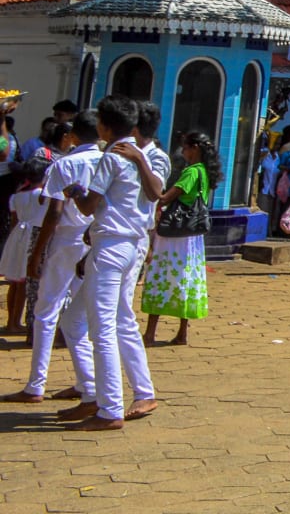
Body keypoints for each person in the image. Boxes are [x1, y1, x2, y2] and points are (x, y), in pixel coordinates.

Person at [70, 95, 164, 429]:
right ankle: (92, 395)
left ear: (104, 127)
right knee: (77, 319)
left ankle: (108, 408)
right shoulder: (139, 155)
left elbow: (87, 205)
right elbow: (153, 195)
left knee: (102, 327)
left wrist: (75, 193)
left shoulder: (113, 157)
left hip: (112, 245)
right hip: (124, 245)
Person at [6, 114, 99, 405]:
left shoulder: (66, 164)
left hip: (67, 238)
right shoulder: (109, 163)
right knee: (76, 317)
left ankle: (36, 385)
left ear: (73, 136)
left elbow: (54, 212)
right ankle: (87, 382)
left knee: (46, 312)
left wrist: (37, 253)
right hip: (95, 240)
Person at [141, 133, 216, 347]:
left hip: (174, 236)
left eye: (185, 148)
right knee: (187, 280)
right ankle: (182, 332)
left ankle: (149, 333)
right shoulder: (204, 171)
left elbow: (165, 197)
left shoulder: (191, 172)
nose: (183, 152)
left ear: (194, 148)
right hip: (191, 238)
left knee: (159, 278)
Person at [3, 157, 50, 335]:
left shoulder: (16, 196)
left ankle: (11, 321)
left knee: (15, 282)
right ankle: (16, 322)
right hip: (33, 237)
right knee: (24, 283)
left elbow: (15, 220)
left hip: (17, 237)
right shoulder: (42, 196)